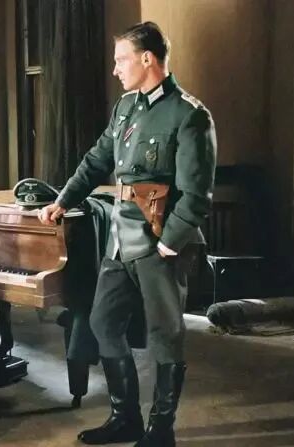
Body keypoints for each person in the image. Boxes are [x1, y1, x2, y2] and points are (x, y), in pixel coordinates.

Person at [38, 22, 216, 446]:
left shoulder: (189, 115)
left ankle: (160, 431)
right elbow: (96, 160)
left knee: (164, 335)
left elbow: (196, 194)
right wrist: (63, 199)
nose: (115, 69)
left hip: (161, 240)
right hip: (121, 237)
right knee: (102, 321)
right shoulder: (125, 107)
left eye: (121, 60)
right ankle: (126, 418)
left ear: (147, 59)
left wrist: (170, 242)